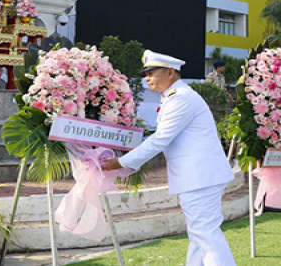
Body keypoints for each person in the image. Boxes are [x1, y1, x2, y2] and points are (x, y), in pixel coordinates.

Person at [101, 50, 236, 266]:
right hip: (198, 176)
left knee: (206, 235)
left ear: (170, 73)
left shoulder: (180, 98)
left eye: (152, 73)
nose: (147, 79)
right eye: (146, 74)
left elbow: (160, 139)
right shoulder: (175, 97)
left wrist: (122, 162)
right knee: (199, 235)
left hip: (200, 177)